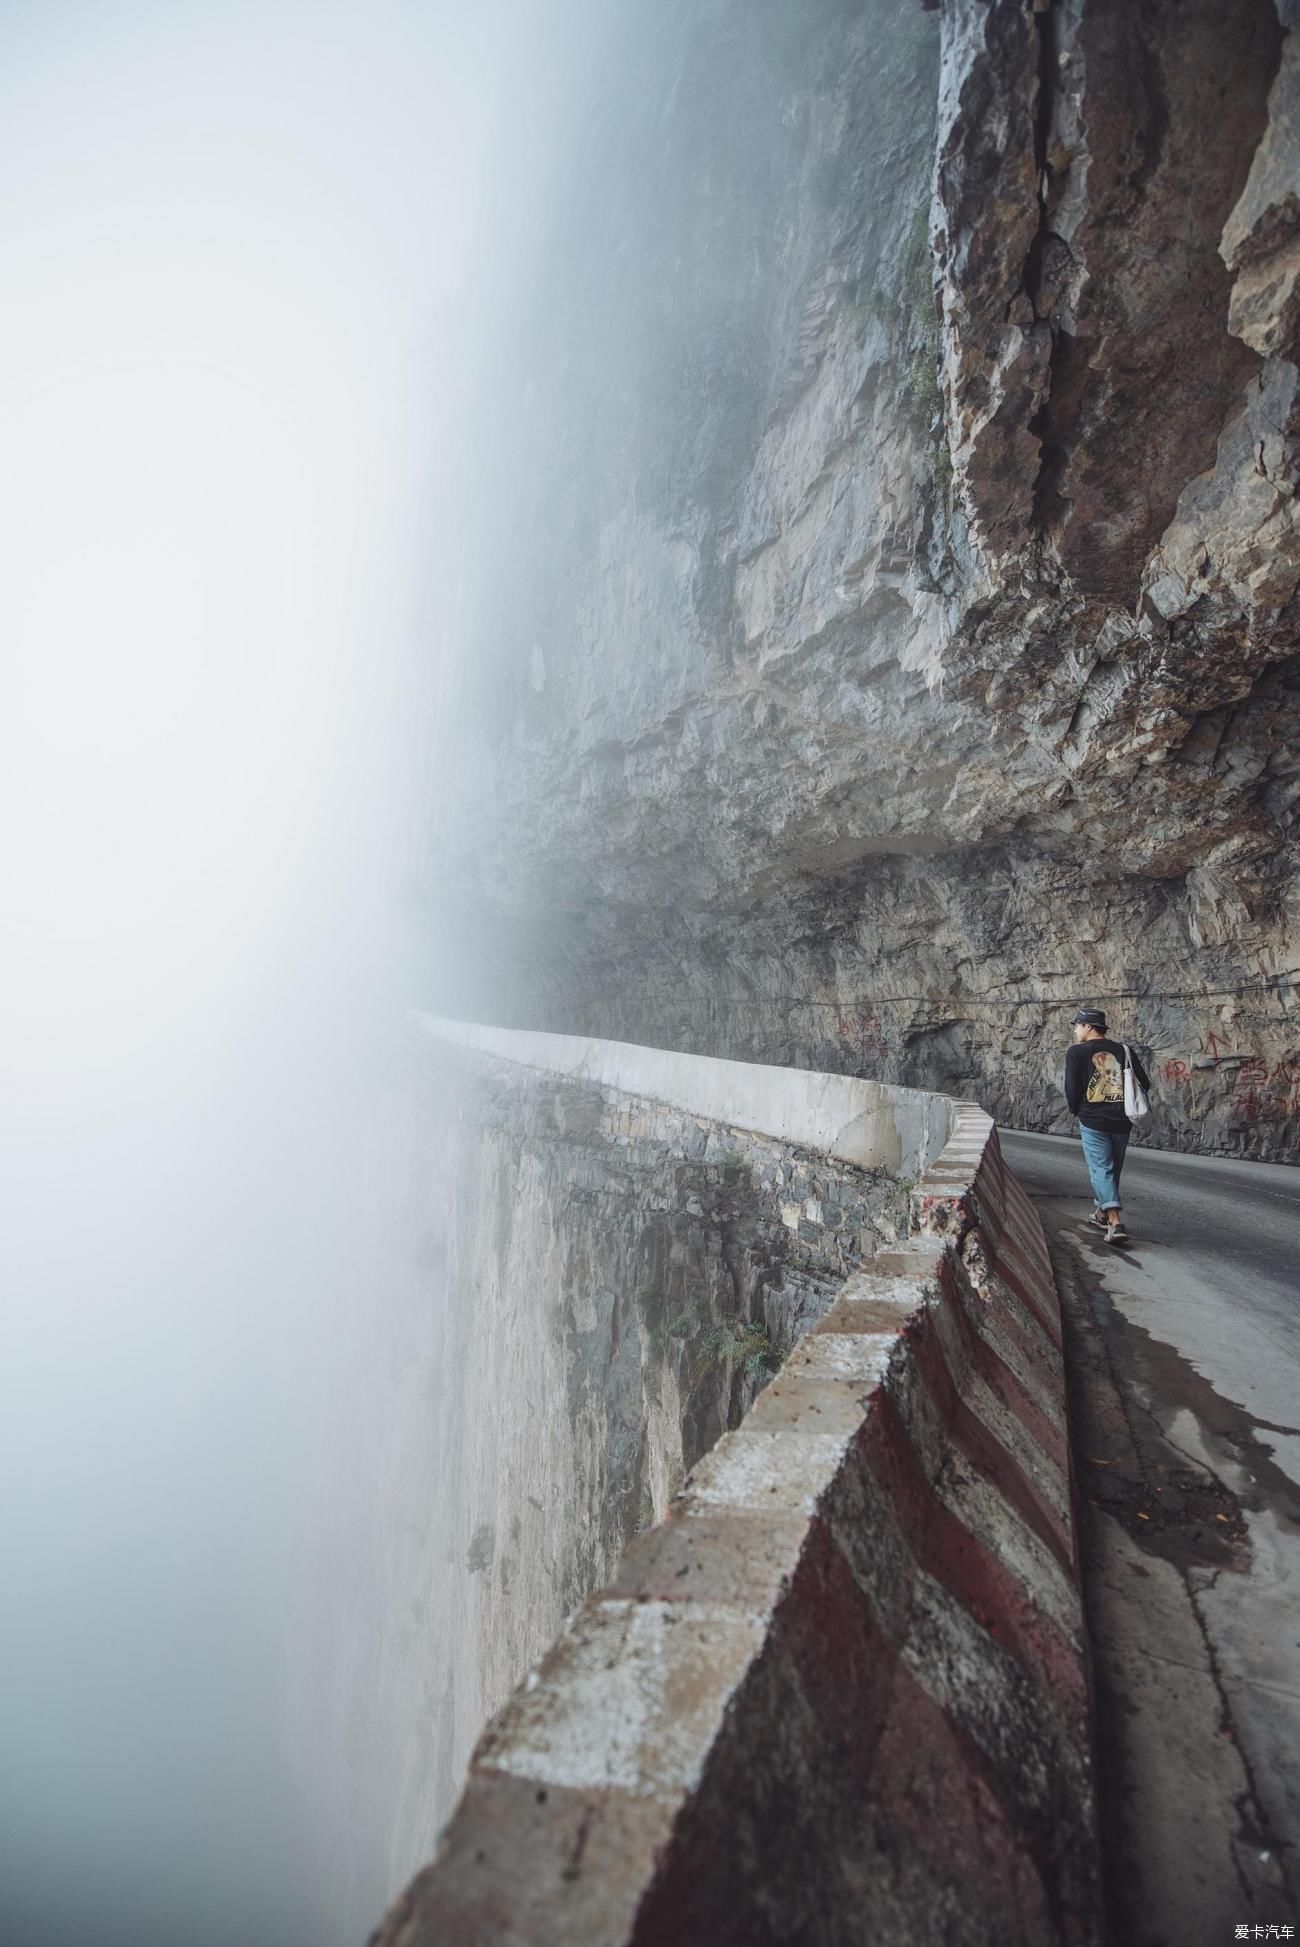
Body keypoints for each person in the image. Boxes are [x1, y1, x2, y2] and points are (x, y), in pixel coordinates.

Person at [1063, 1007, 1150, 1245]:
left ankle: (1115, 1221)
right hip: (1122, 1120)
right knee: (1112, 1169)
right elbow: (1144, 1082)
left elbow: (1072, 1088)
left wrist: (1076, 1110)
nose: (1075, 1030)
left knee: (1101, 1169)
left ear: (1088, 1027)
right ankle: (1102, 1213)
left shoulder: (1076, 1052)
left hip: (1093, 1120)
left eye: (1077, 1025)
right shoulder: (1124, 1050)